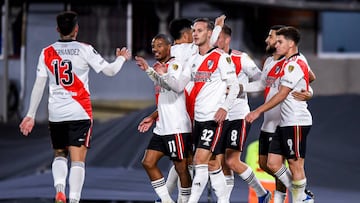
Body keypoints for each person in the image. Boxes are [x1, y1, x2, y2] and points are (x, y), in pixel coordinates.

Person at [19, 11, 131, 203]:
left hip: (57, 113)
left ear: (57, 30)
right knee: (78, 160)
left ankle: (60, 189)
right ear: (76, 29)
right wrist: (122, 58)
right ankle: (74, 199)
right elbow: (110, 71)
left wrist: (30, 114)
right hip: (80, 112)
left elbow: (39, 86)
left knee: (59, 154)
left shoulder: (46, 52)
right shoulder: (85, 49)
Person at [245, 26, 314, 203]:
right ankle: (302, 194)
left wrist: (258, 111)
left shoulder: (296, 63)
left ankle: (300, 199)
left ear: (290, 44)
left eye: (279, 41)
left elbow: (285, 91)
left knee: (295, 164)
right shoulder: (279, 62)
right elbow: (265, 85)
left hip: (296, 119)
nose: (275, 43)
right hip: (282, 121)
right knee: (272, 163)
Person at [184, 17, 240, 203]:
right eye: (194, 30)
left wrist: (225, 107)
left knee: (199, 161)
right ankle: (224, 201)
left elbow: (235, 86)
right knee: (212, 163)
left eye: (199, 30)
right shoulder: (193, 59)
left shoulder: (221, 58)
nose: (195, 34)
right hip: (196, 119)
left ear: (209, 33)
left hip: (213, 119)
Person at [214, 24, 271, 203]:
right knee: (221, 161)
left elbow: (262, 82)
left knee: (232, 161)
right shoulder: (211, 59)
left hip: (238, 114)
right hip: (218, 115)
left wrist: (240, 87)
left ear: (227, 39)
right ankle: (224, 200)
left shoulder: (241, 58)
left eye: (219, 37)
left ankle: (261, 192)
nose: (215, 41)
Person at [135, 33, 192, 203]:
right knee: (148, 162)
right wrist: (152, 117)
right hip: (161, 128)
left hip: (176, 127)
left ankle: (184, 201)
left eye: (160, 45)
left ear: (169, 47)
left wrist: (162, 73)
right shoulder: (160, 67)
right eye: (153, 45)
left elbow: (177, 87)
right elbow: (164, 97)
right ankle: (167, 201)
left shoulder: (177, 65)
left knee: (181, 168)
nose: (155, 49)